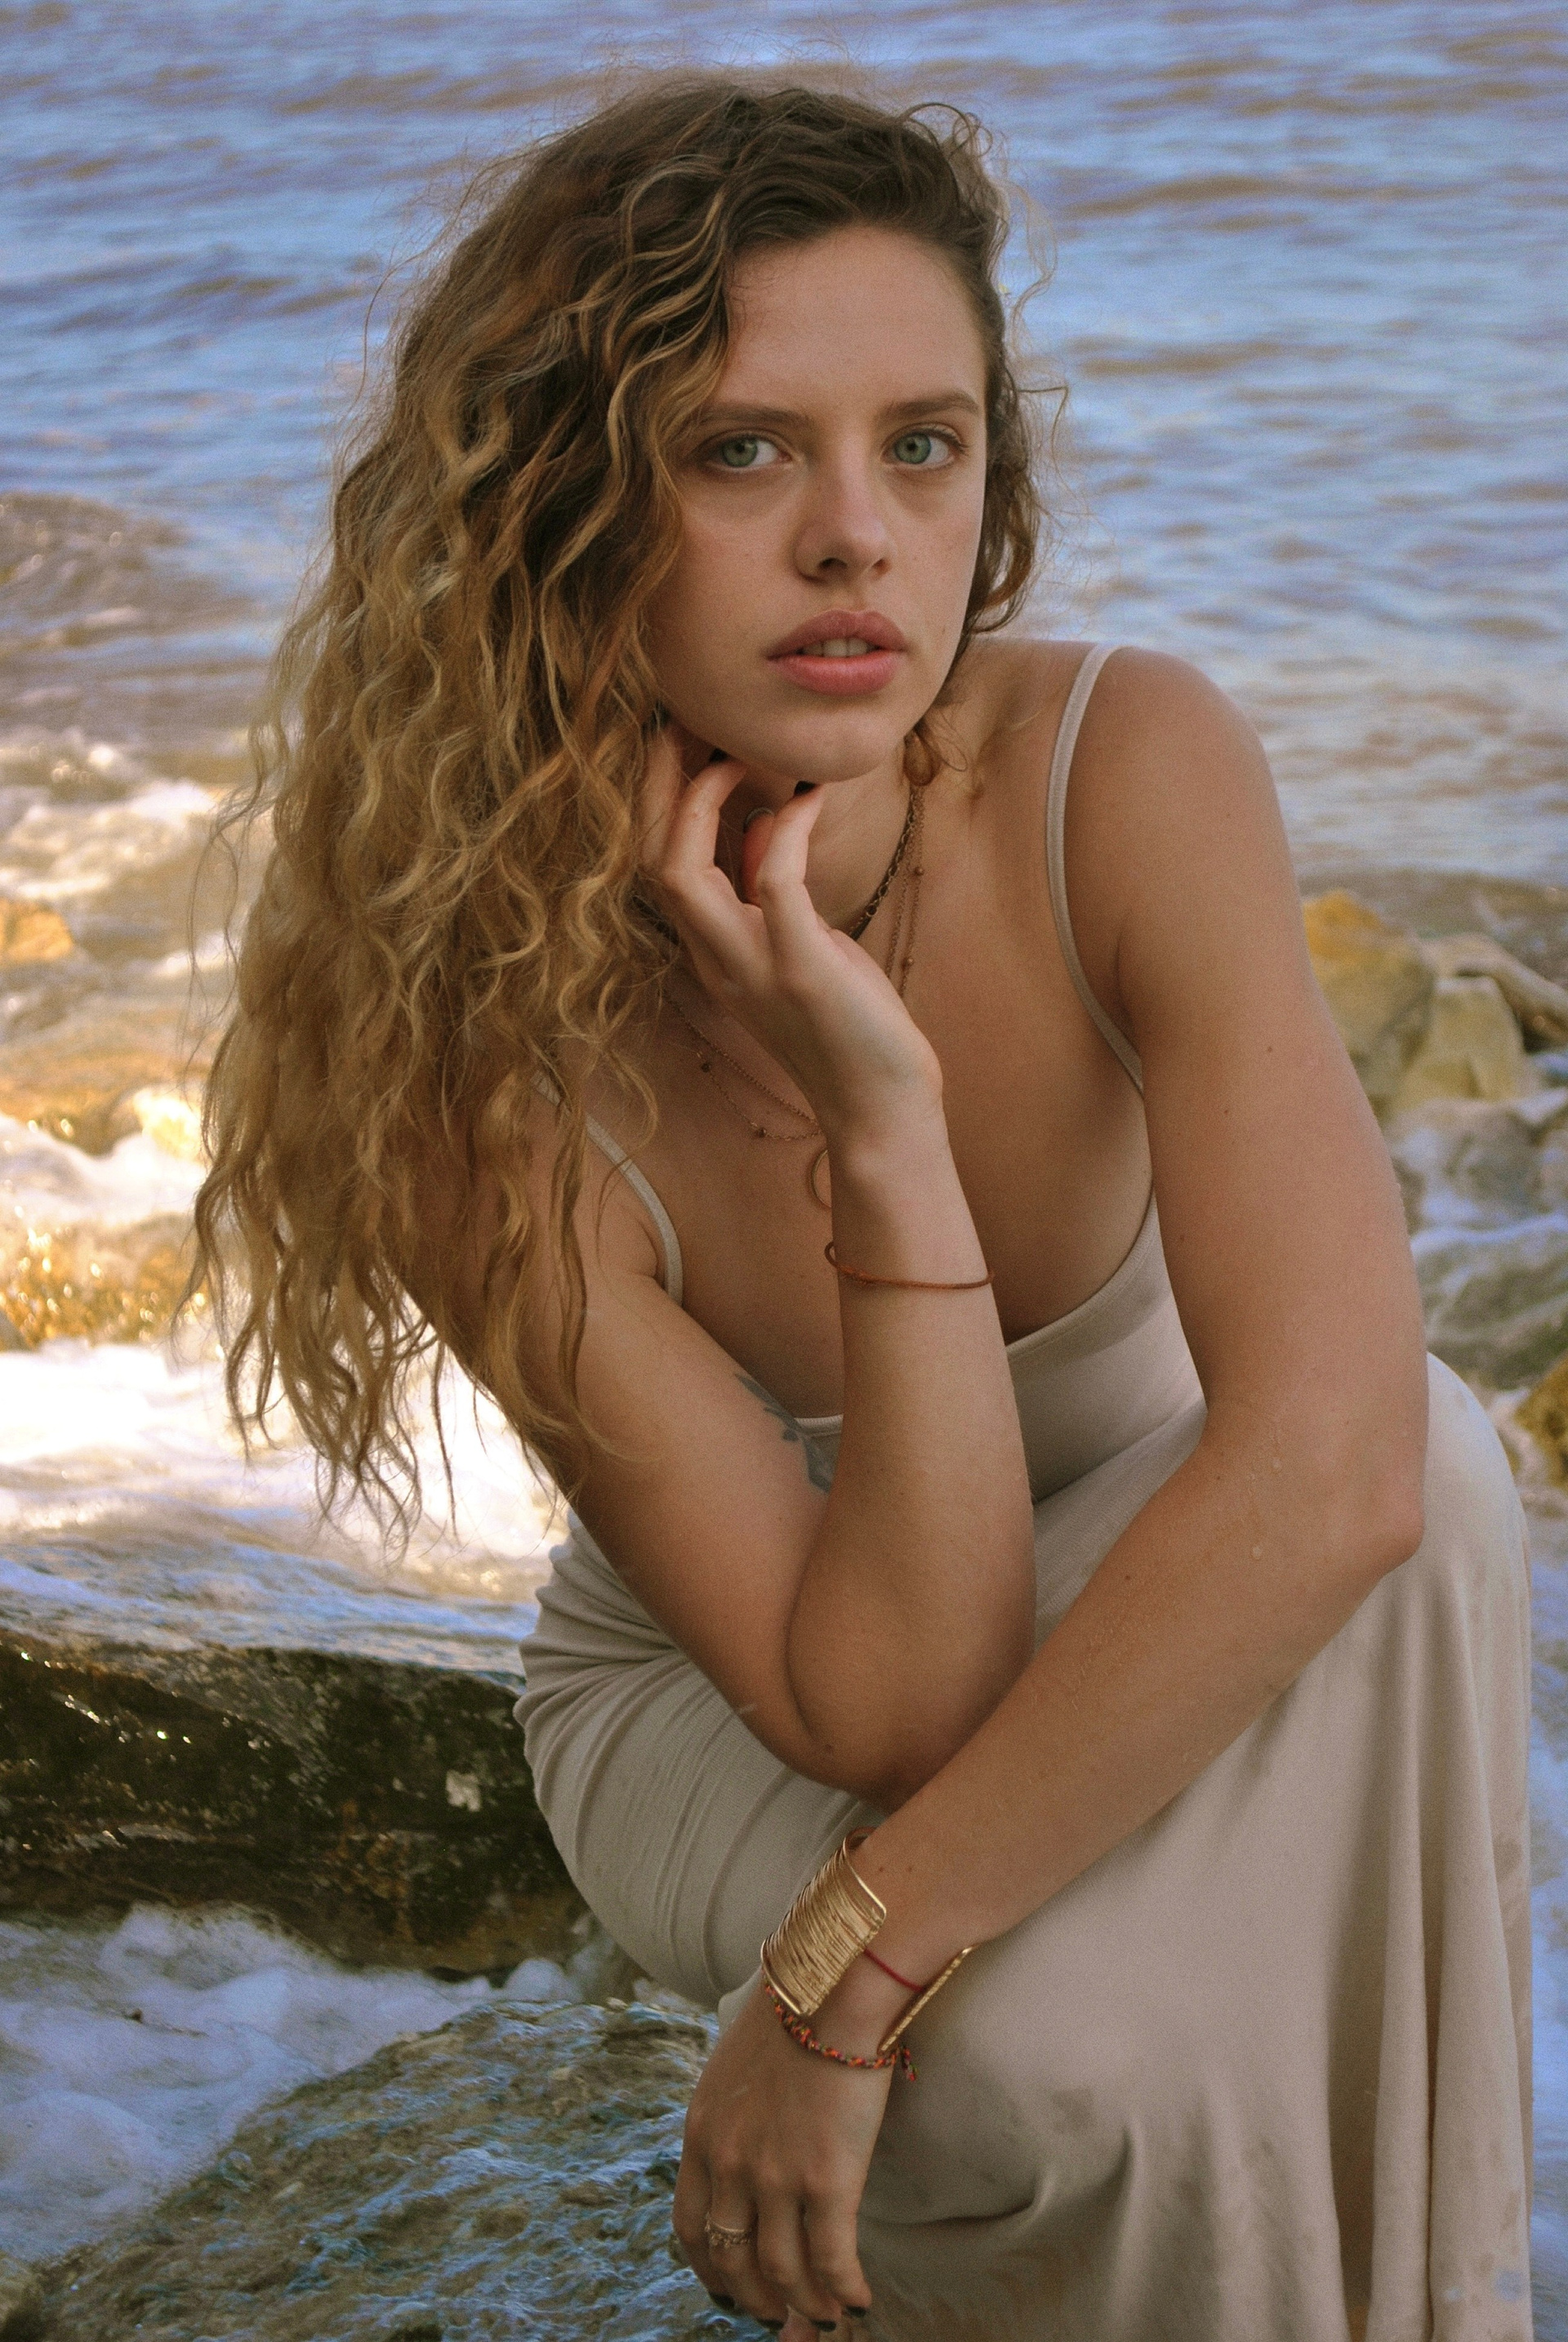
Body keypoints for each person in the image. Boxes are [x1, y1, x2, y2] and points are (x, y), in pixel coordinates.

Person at [194, 74, 1534, 2342]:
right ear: (563, 505)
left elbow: (1333, 1471)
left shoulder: (1126, 771)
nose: (857, 540)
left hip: (1166, 1562)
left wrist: (841, 1996)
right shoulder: (460, 1053)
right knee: (1019, 2065)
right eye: (741, 450)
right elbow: (891, 1692)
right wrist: (885, 1127)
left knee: (1429, 1489)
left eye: (925, 445)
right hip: (752, 1690)